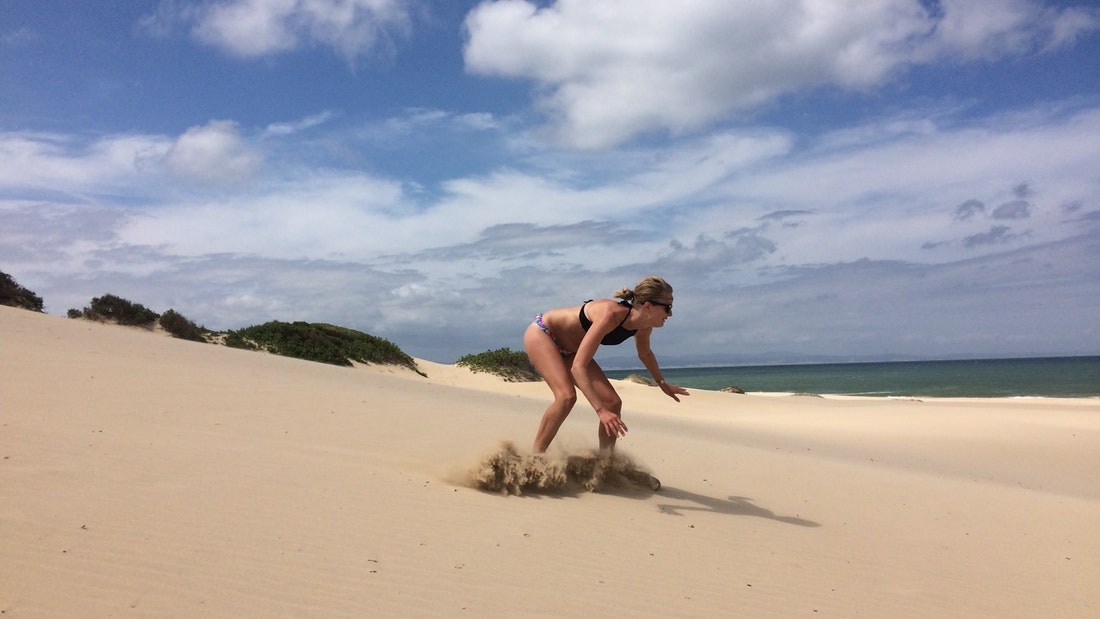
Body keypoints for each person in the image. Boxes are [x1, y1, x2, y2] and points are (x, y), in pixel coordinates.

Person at [524, 276, 689, 453]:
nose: (670, 314)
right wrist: (600, 410)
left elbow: (645, 353)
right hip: (544, 335)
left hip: (570, 351)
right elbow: (578, 367)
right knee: (566, 397)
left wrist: (662, 385)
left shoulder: (644, 326)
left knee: (613, 402)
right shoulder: (610, 315)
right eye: (667, 308)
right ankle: (535, 457)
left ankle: (605, 465)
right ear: (648, 306)